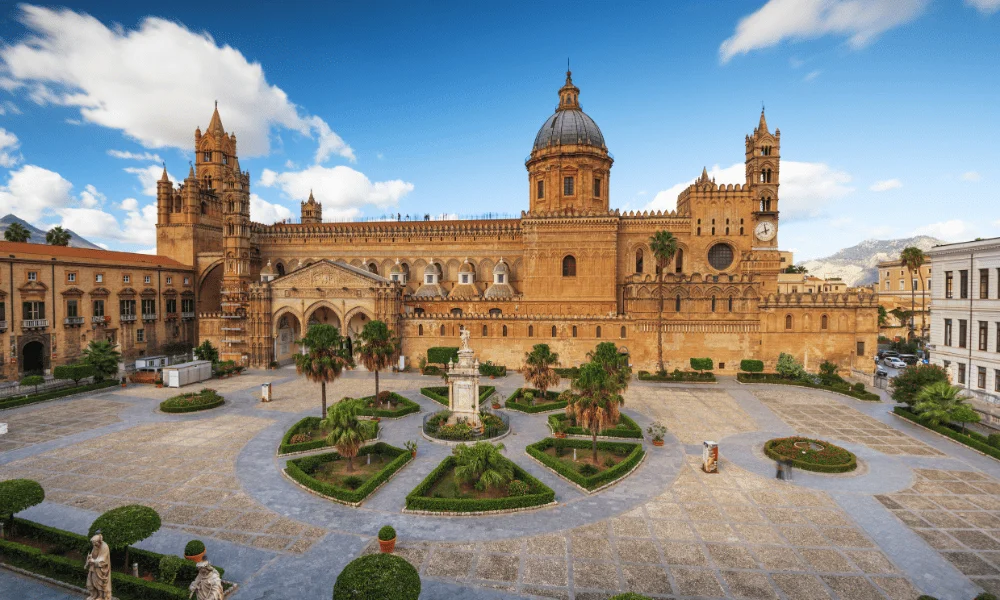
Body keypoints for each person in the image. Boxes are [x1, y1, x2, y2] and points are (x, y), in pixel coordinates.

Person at [85, 532, 112, 600]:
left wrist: (94, 561)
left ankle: (101, 597)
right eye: (93, 544)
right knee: (90, 582)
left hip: (101, 569)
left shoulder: (105, 547)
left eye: (95, 544)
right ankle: (93, 595)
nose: (94, 545)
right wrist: (90, 558)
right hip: (93, 568)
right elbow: (93, 554)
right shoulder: (95, 545)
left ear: (99, 541)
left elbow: (103, 558)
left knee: (100, 584)